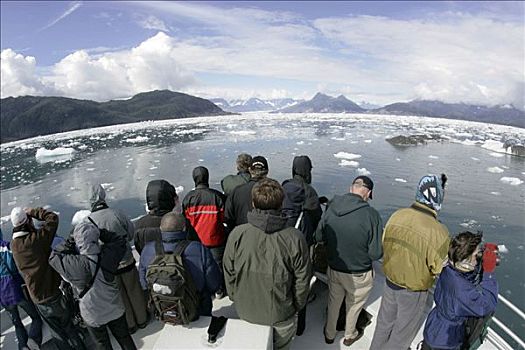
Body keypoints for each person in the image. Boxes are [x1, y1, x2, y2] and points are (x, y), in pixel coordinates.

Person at [223, 178, 312, 350]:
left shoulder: (237, 234)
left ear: (253, 203)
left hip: (245, 310)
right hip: (281, 313)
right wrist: (296, 306)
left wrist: (236, 297)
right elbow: (303, 280)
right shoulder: (294, 237)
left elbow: (228, 272)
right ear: (281, 205)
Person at [370, 174, 451, 350]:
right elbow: (438, 268)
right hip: (413, 290)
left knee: (383, 325)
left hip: (390, 281)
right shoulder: (439, 232)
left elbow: (384, 243)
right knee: (401, 333)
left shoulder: (397, 215)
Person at [315, 175, 383, 346]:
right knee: (354, 305)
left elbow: (319, 236)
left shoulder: (331, 207)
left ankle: (329, 333)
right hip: (359, 273)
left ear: (351, 187)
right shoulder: (372, 215)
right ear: (368, 193)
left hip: (335, 268)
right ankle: (349, 335)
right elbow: (375, 254)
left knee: (334, 301)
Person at [49, 221, 136, 350]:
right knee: (124, 338)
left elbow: (54, 257)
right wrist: (100, 232)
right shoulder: (108, 256)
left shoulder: (74, 265)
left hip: (92, 314)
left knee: (102, 344)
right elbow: (119, 241)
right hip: (114, 308)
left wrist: (71, 240)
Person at [10, 207, 86, 350]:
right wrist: (33, 212)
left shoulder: (14, 246)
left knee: (57, 333)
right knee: (68, 327)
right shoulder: (37, 240)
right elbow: (52, 219)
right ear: (28, 222)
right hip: (53, 292)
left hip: (38, 298)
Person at [422, 232, 499, 350]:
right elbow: (487, 305)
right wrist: (488, 273)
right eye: (476, 254)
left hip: (434, 328)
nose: (479, 256)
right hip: (446, 341)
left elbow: (466, 273)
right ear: (466, 259)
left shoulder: (449, 267)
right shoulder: (462, 291)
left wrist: (481, 256)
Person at [88, 184, 148, 333]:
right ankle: (142, 320)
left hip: (108, 266)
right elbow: (130, 233)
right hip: (126, 259)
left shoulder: (89, 221)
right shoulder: (116, 213)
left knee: (119, 296)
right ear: (103, 196)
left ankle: (130, 325)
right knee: (134, 290)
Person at [138, 212, 221, 316]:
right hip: (197, 307)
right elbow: (214, 283)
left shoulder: (147, 250)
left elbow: (144, 283)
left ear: (160, 228)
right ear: (184, 229)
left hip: (163, 307)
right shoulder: (198, 249)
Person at [281, 155, 323, 336]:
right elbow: (316, 218)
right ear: (308, 171)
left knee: (284, 278)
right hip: (301, 243)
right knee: (301, 282)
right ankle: (300, 327)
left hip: (283, 240)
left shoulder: (284, 186)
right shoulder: (309, 191)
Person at [182, 166, 226, 296]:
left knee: (199, 267)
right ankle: (219, 290)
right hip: (216, 240)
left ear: (194, 179)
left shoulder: (188, 199)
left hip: (196, 241)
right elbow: (224, 217)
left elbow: (185, 220)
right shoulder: (216, 196)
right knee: (217, 267)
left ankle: (203, 290)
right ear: (207, 177)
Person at [1, 228, 43, 350]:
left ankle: (23, 346)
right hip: (16, 287)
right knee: (35, 317)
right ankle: (33, 340)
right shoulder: (8, 247)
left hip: (3, 295)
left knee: (17, 323)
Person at [282, 155, 323, 246]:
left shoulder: (285, 185)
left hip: (283, 235)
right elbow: (317, 216)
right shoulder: (309, 190)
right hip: (301, 238)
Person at [224, 155, 269, 230]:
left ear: (250, 170)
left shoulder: (237, 191)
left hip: (242, 234)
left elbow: (228, 217)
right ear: (267, 171)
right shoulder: (274, 190)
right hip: (268, 235)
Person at [134, 179, 178, 254]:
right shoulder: (179, 221)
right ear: (169, 199)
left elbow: (139, 248)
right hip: (177, 263)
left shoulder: (139, 225)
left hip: (149, 263)